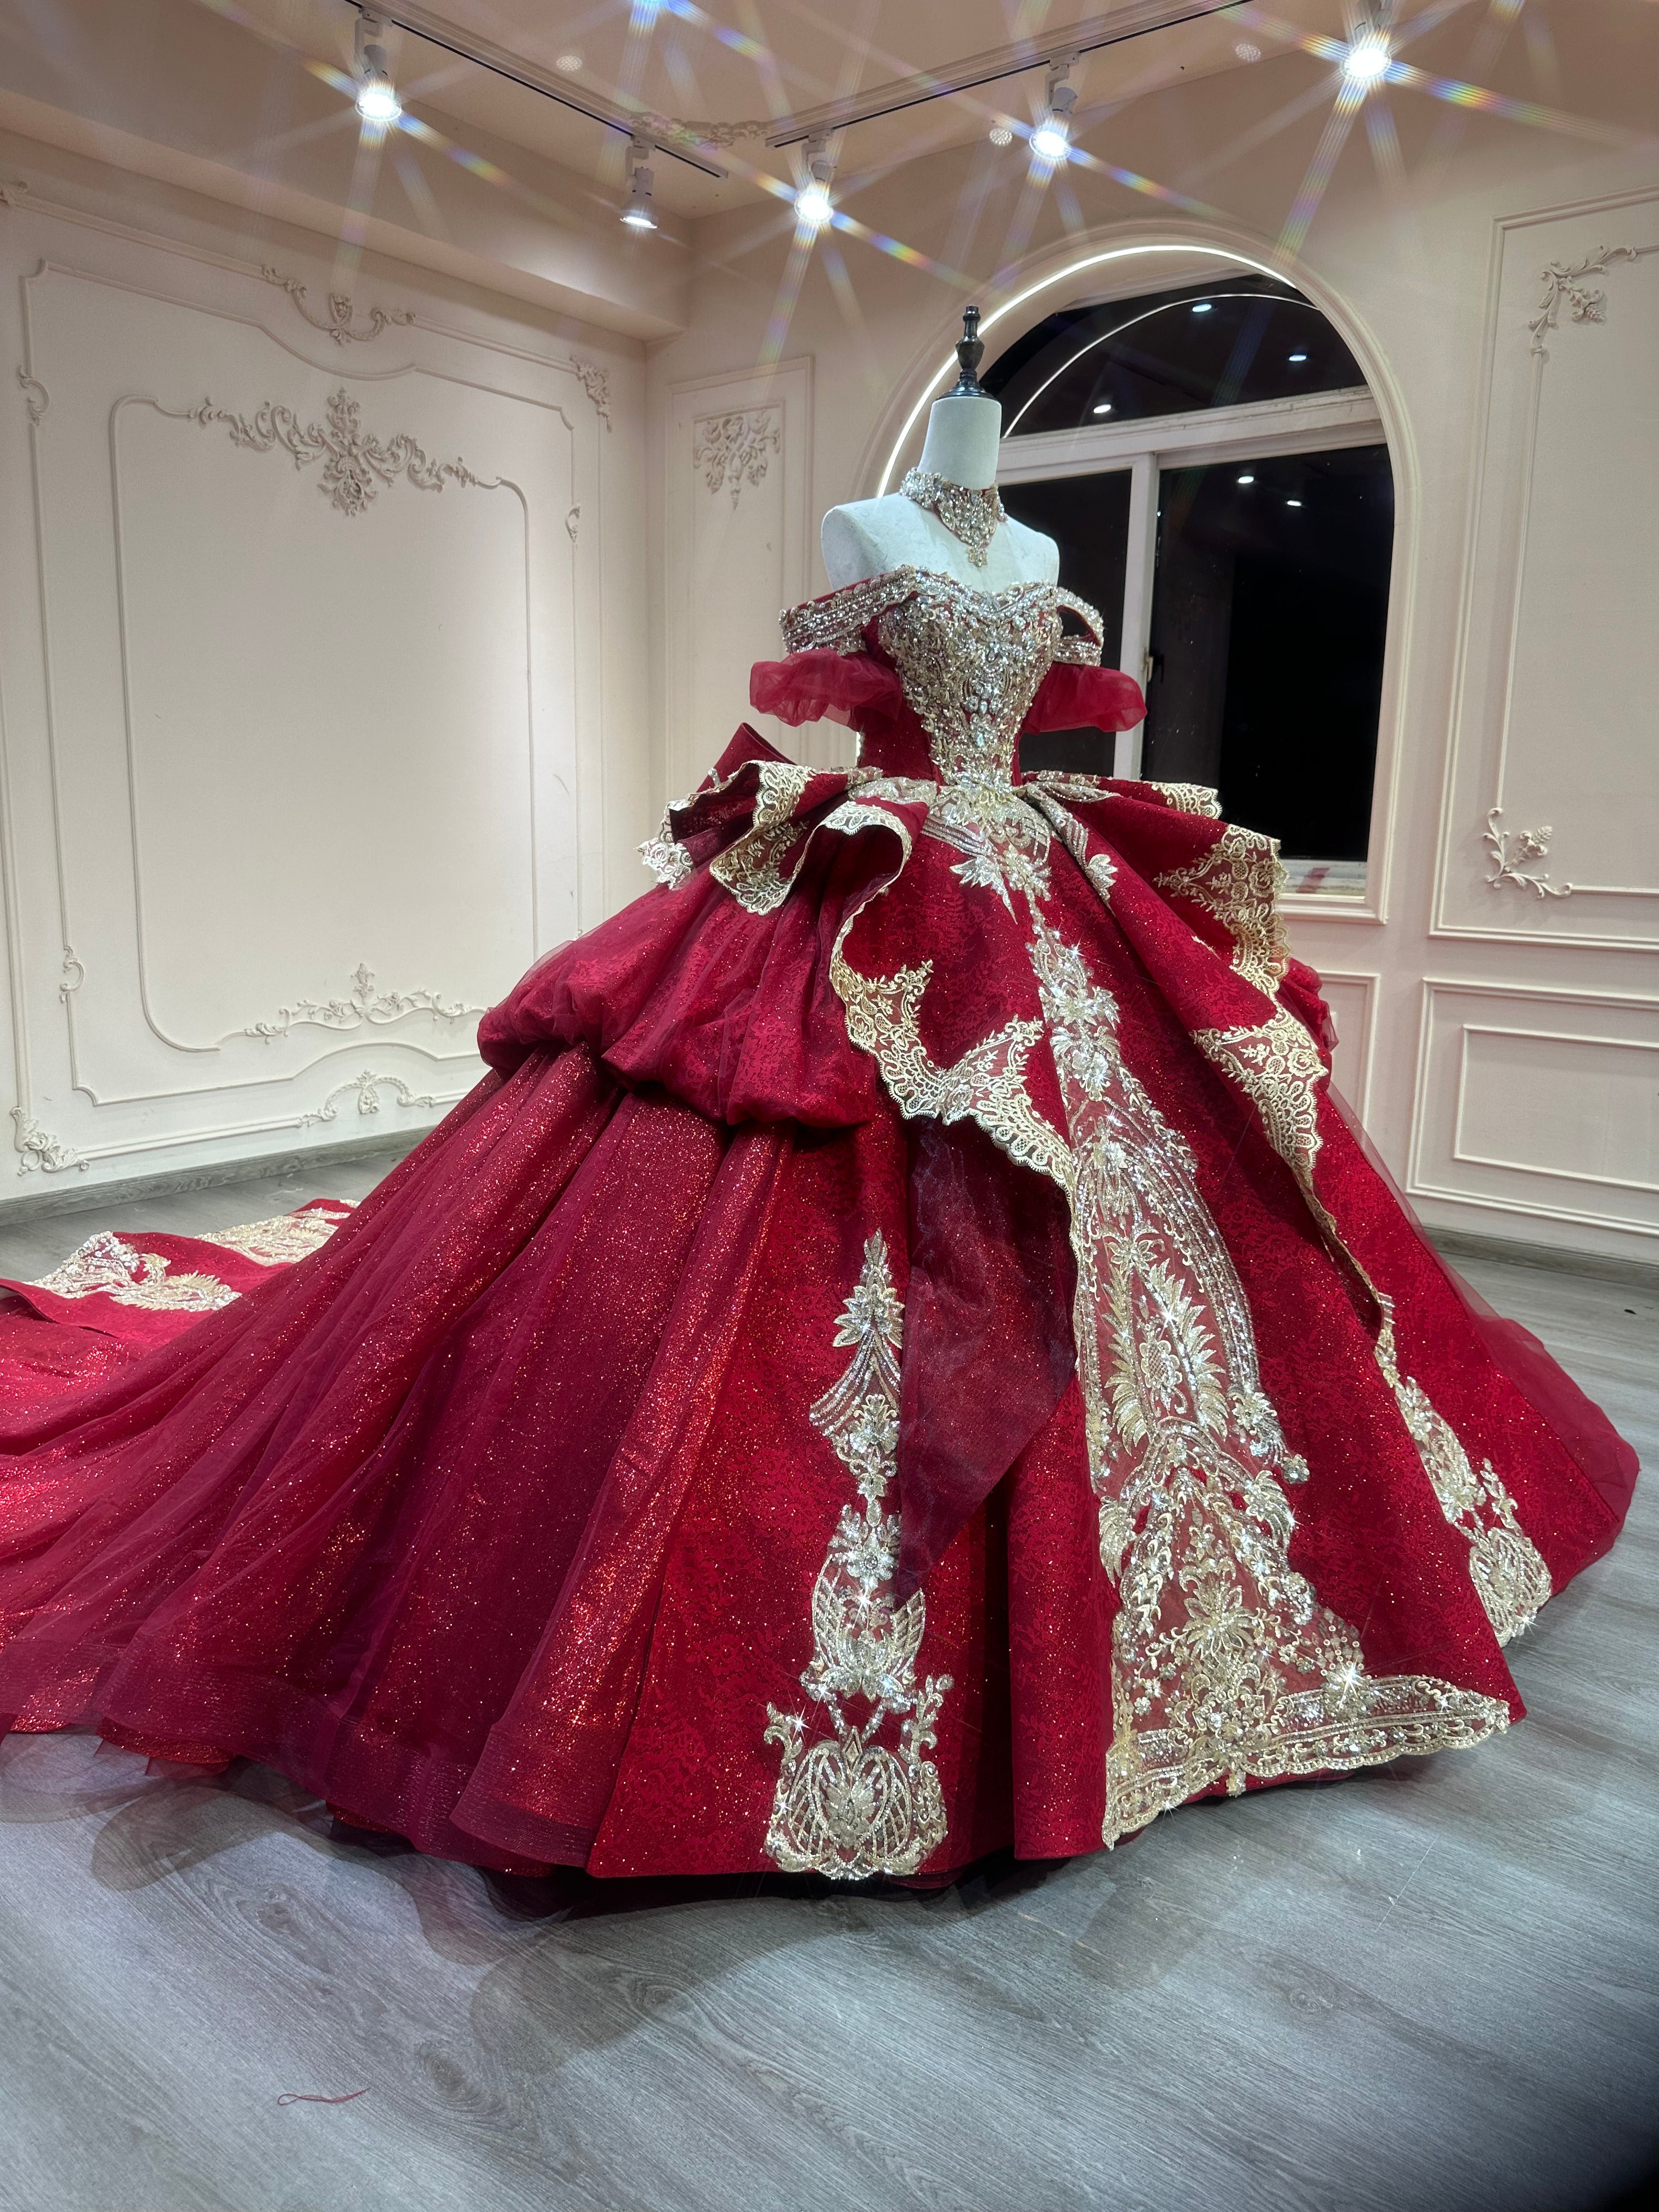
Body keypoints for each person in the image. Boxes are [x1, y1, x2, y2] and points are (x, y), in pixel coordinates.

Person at [0, 312, 1635, 1885]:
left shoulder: (1037, 547)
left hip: (1042, 876)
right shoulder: (871, 529)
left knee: (1202, 1200)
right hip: (882, 872)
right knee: (730, 1203)